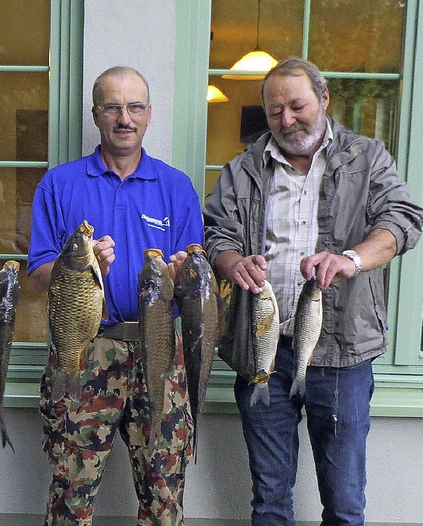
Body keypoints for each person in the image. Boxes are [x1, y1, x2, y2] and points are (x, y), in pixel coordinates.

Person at [203, 57, 423, 525]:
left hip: (343, 354)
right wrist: (233, 262)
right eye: (275, 111)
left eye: (298, 106)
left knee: (344, 504)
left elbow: (404, 219)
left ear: (323, 99)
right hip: (262, 352)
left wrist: (352, 259)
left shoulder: (368, 158)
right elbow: (215, 234)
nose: (287, 120)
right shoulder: (242, 170)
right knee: (269, 501)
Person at [27, 66, 203, 525]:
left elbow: (193, 280)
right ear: (96, 114)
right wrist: (79, 271)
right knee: (72, 486)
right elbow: (39, 273)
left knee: (164, 488)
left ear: (149, 115)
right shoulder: (60, 184)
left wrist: (183, 274)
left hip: (160, 346)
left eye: (135, 107)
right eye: (113, 107)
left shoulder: (175, 186)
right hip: (85, 347)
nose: (125, 118)